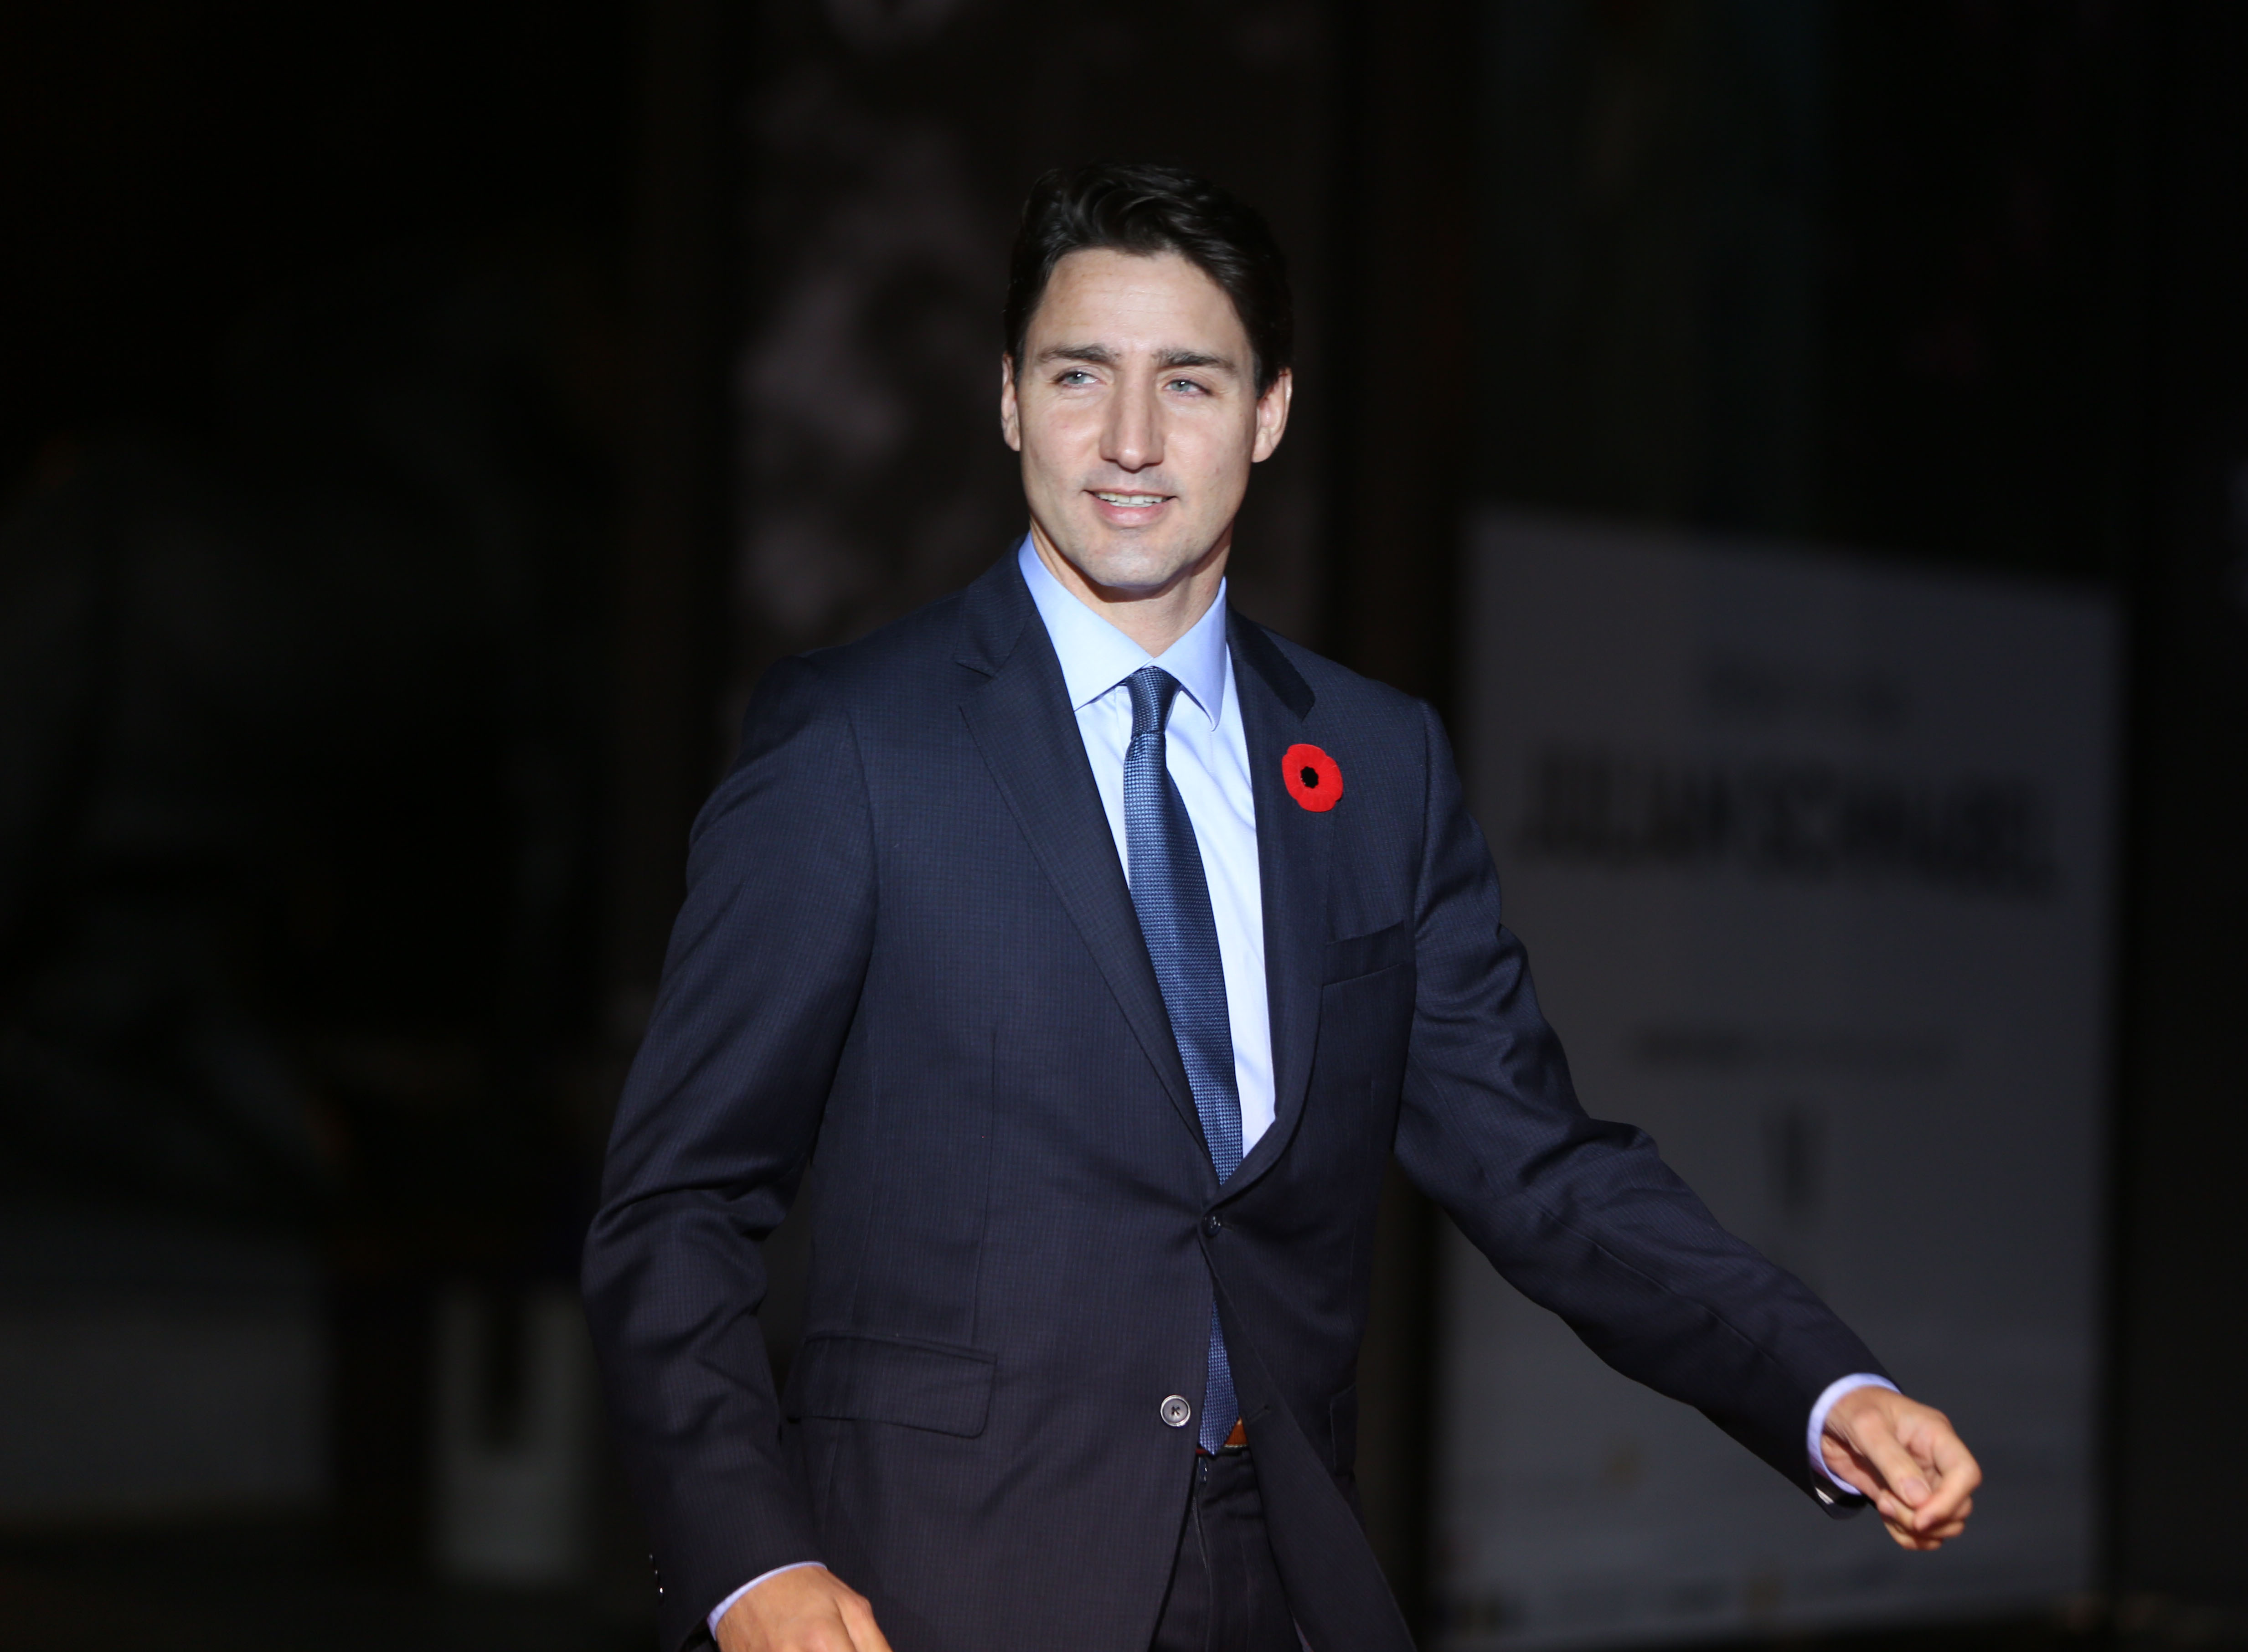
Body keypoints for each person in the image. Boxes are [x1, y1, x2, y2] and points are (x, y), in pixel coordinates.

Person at [581, 162, 1979, 1652]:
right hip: (926, 1593)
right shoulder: (856, 744)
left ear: (1269, 413)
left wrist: (1824, 1386)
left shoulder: (1374, 768)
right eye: (1078, 376)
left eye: (1188, 382)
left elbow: (1540, 1169)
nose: (1127, 441)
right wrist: (751, 1565)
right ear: (1006, 401)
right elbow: (675, 1206)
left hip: (1281, 1583)